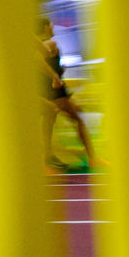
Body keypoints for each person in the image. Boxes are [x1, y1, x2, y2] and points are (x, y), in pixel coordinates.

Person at [37, 17, 103, 170]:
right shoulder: (50, 44)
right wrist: (54, 75)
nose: (54, 28)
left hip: (48, 91)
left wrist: (58, 71)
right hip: (56, 92)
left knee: (50, 123)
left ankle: (48, 156)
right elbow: (38, 60)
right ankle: (92, 157)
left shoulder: (43, 45)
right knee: (77, 119)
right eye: (52, 25)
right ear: (46, 27)